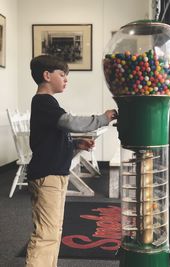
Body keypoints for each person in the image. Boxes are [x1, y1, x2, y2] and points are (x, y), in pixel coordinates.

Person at [25, 54, 117, 267]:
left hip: (55, 174)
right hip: (48, 176)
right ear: (47, 75)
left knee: (54, 230)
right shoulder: (43, 102)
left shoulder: (48, 103)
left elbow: (52, 138)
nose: (66, 79)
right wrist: (102, 118)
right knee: (46, 234)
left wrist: (76, 145)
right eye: (62, 75)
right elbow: (70, 122)